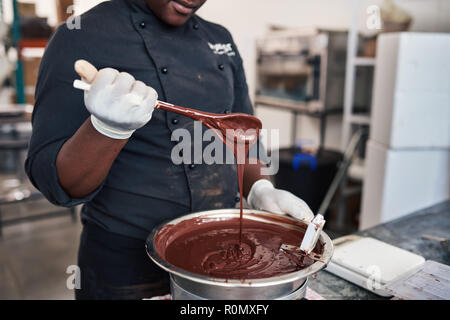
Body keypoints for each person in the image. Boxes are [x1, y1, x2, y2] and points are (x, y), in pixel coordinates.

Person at [25, 0, 314, 300]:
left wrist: (260, 188)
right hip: (125, 271)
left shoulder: (220, 39)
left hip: (217, 261)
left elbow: (243, 136)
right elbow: (54, 181)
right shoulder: (80, 35)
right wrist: (106, 130)